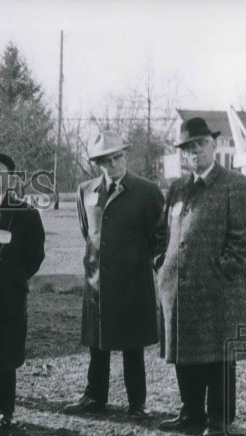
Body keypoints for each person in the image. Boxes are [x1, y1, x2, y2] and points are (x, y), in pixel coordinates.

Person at [156, 117, 246, 436]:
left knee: (217, 355)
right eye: (188, 147)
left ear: (213, 145)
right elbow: (163, 233)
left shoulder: (234, 184)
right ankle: (191, 414)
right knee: (184, 352)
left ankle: (220, 419)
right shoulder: (178, 188)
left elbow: (245, 237)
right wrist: (162, 263)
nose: (194, 151)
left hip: (217, 289)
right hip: (178, 289)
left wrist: (223, 270)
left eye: (200, 144)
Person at [65, 131, 165, 419]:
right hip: (98, 283)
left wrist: (140, 262)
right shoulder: (86, 190)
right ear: (98, 164)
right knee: (98, 343)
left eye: (118, 157)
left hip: (133, 282)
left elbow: (159, 236)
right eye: (106, 161)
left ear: (126, 156)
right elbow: (89, 233)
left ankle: (137, 404)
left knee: (132, 346)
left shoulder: (147, 191)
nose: (114, 165)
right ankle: (95, 396)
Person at [0, 149, 46, 427]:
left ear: (10, 177)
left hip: (9, 296)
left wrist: (13, 277)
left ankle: (6, 410)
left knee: (6, 352)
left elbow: (35, 255)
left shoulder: (25, 213)